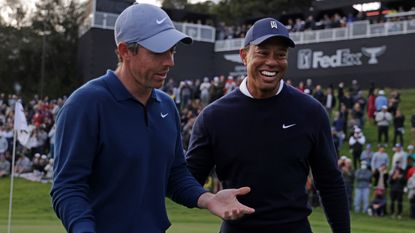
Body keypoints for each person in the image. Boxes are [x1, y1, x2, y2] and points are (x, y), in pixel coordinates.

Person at [50, 4, 254, 233]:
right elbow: (68, 188)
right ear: (125, 51)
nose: (169, 61)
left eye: (172, 50)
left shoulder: (166, 106)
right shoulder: (85, 105)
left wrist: (208, 198)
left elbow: (175, 175)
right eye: (158, 52)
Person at [186, 17, 350, 233]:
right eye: (262, 52)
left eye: (280, 54)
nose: (272, 61)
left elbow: (330, 183)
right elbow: (188, 181)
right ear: (244, 56)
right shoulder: (214, 116)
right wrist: (208, 199)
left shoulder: (310, 111)